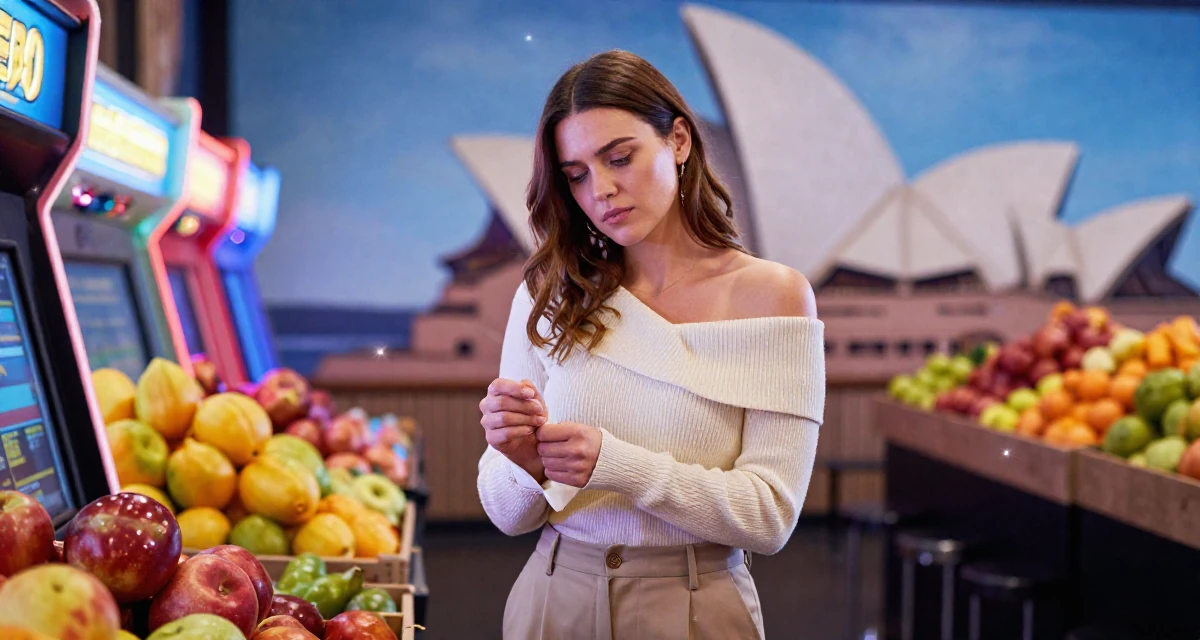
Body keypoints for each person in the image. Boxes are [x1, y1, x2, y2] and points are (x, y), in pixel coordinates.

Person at [477, 49, 825, 640]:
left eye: (620, 158)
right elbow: (507, 516)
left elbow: (770, 517)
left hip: (696, 606)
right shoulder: (550, 291)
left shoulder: (775, 296)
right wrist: (518, 460)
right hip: (552, 597)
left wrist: (617, 465)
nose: (603, 190)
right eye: (577, 175)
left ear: (680, 140)